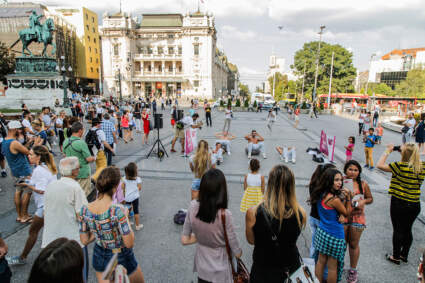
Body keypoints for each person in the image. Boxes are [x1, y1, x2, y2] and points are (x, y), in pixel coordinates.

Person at [79, 167, 145, 283]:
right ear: (116, 187)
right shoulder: (117, 211)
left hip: (99, 253)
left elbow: (84, 240)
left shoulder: (85, 209)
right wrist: (125, 217)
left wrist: (100, 229)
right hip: (120, 255)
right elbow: (129, 243)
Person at [246, 165, 306, 282]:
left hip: (263, 270)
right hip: (290, 270)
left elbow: (251, 241)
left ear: (271, 183)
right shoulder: (301, 213)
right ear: (291, 186)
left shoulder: (253, 212)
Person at [181, 168, 242, 283]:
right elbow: (236, 251)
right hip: (221, 271)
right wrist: (239, 252)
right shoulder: (225, 214)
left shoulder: (193, 206)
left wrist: (201, 237)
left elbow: (185, 239)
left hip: (202, 268)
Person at [7, 145, 57, 265]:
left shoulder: (39, 170)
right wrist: (29, 180)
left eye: (31, 154)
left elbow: (41, 189)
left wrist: (26, 185)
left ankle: (22, 257)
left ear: (38, 156)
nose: (28, 156)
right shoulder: (48, 167)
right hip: (51, 204)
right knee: (50, 232)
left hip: (44, 206)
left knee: (33, 232)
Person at [42, 157, 89, 282]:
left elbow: (45, 211)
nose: (79, 170)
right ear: (74, 171)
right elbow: (83, 216)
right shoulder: (75, 188)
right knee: (77, 276)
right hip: (72, 241)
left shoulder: (51, 185)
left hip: (50, 240)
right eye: (78, 168)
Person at [377, 143, 425, 265]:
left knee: (398, 229)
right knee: (408, 229)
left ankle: (396, 256)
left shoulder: (399, 166)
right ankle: (404, 255)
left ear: (404, 154)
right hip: (414, 204)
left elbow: (379, 165)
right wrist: (408, 152)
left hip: (399, 202)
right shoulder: (421, 167)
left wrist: (388, 151)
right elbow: (413, 158)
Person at [310, 168, 351, 283]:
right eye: (336, 180)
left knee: (321, 261)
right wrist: (348, 198)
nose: (340, 183)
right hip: (335, 235)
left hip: (322, 232)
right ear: (329, 181)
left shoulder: (321, 194)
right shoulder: (334, 200)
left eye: (340, 180)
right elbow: (347, 213)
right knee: (333, 266)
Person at [2, 121, 41, 223]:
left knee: (18, 191)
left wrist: (28, 143)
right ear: (14, 129)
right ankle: (24, 216)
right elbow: (29, 152)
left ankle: (20, 215)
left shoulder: (5, 141)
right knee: (28, 192)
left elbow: (21, 149)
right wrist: (35, 143)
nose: (20, 131)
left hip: (14, 170)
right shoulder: (14, 142)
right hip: (23, 170)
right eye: (19, 129)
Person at [343, 160, 373, 283]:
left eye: (356, 170)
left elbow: (370, 198)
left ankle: (353, 270)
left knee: (354, 244)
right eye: (350, 169)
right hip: (343, 216)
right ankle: (338, 266)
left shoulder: (363, 184)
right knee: (342, 244)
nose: (353, 172)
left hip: (358, 217)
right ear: (345, 170)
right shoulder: (340, 181)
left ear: (359, 172)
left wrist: (363, 201)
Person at [308, 163, 336, 259]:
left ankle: (313, 262)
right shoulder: (326, 189)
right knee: (317, 245)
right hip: (321, 219)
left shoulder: (314, 183)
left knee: (314, 241)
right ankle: (313, 263)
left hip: (312, 217)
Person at [63, 122, 95, 197]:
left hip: (71, 172)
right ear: (80, 130)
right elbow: (88, 159)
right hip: (82, 172)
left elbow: (64, 155)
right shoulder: (81, 143)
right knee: (84, 194)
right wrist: (94, 158)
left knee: (73, 194)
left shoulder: (66, 141)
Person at [123, 162, 143, 231]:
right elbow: (139, 188)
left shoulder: (124, 178)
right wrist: (135, 189)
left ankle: (128, 222)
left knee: (127, 210)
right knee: (136, 211)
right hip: (135, 197)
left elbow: (123, 187)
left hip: (127, 197)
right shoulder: (138, 179)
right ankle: (137, 225)